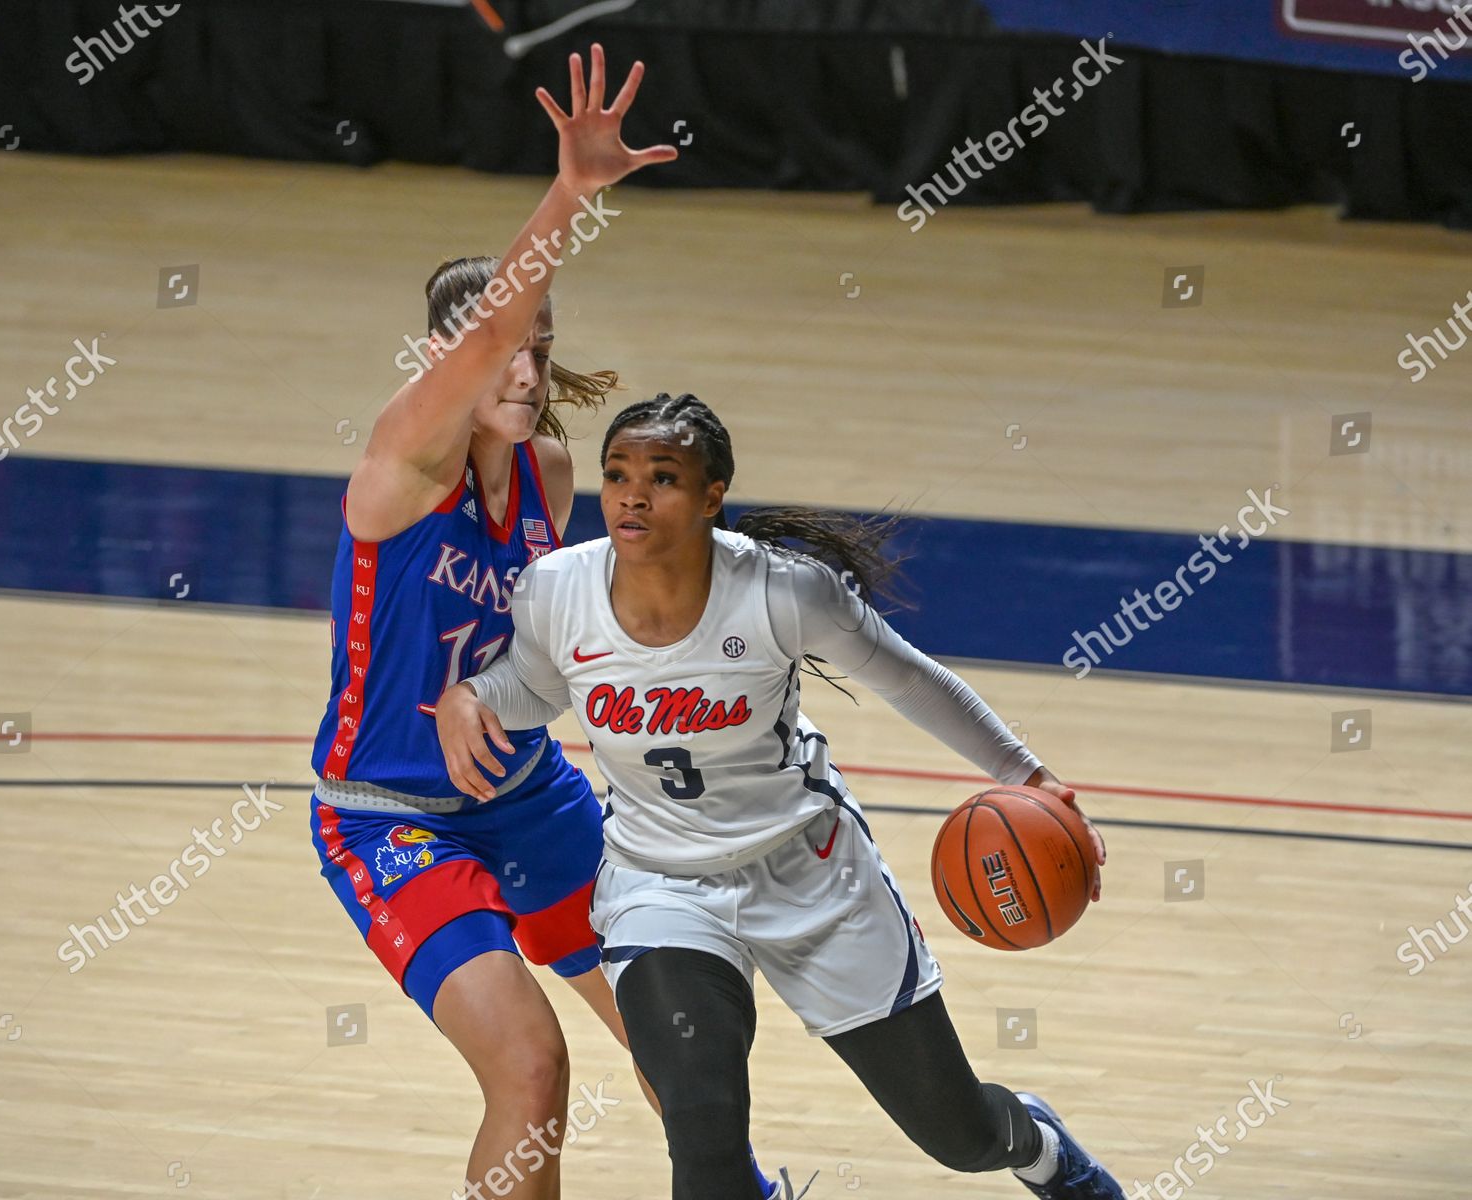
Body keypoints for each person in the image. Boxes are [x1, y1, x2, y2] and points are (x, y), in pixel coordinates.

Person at [435, 392, 1127, 1199]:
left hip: (811, 876)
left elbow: (910, 679)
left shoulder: (783, 592)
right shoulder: (559, 590)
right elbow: (532, 684)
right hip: (663, 887)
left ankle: (1042, 1152)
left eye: (662, 478)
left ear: (711, 496)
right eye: (618, 474)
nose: (632, 495)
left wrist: (1028, 775)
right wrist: (474, 695)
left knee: (958, 1133)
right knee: (703, 1133)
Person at [308, 52, 788, 1200]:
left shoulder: (553, 473)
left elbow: (552, 640)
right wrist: (572, 193)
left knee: (686, 1041)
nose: (525, 364)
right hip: (390, 816)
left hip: (527, 794)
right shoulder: (396, 472)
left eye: (541, 340)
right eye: (501, 345)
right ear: (448, 361)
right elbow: (487, 334)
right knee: (531, 1068)